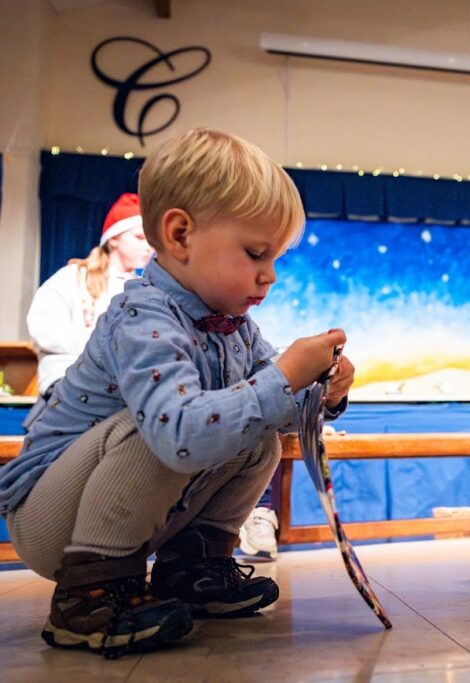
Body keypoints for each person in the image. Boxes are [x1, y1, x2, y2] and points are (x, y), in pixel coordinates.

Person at [0, 128, 355, 656]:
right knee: (157, 429)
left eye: (274, 258)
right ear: (180, 235)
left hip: (135, 512)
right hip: (55, 523)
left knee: (254, 439)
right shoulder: (141, 315)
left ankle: (191, 570)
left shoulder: (235, 327)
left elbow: (270, 413)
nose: (270, 276)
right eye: (257, 253)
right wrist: (283, 376)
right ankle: (89, 598)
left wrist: (319, 392)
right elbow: (179, 435)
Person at [26, 193, 154, 396]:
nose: (148, 247)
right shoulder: (72, 278)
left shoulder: (145, 289)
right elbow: (43, 330)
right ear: (113, 240)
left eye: (150, 240)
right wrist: (104, 347)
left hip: (123, 386)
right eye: (139, 238)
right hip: (68, 381)